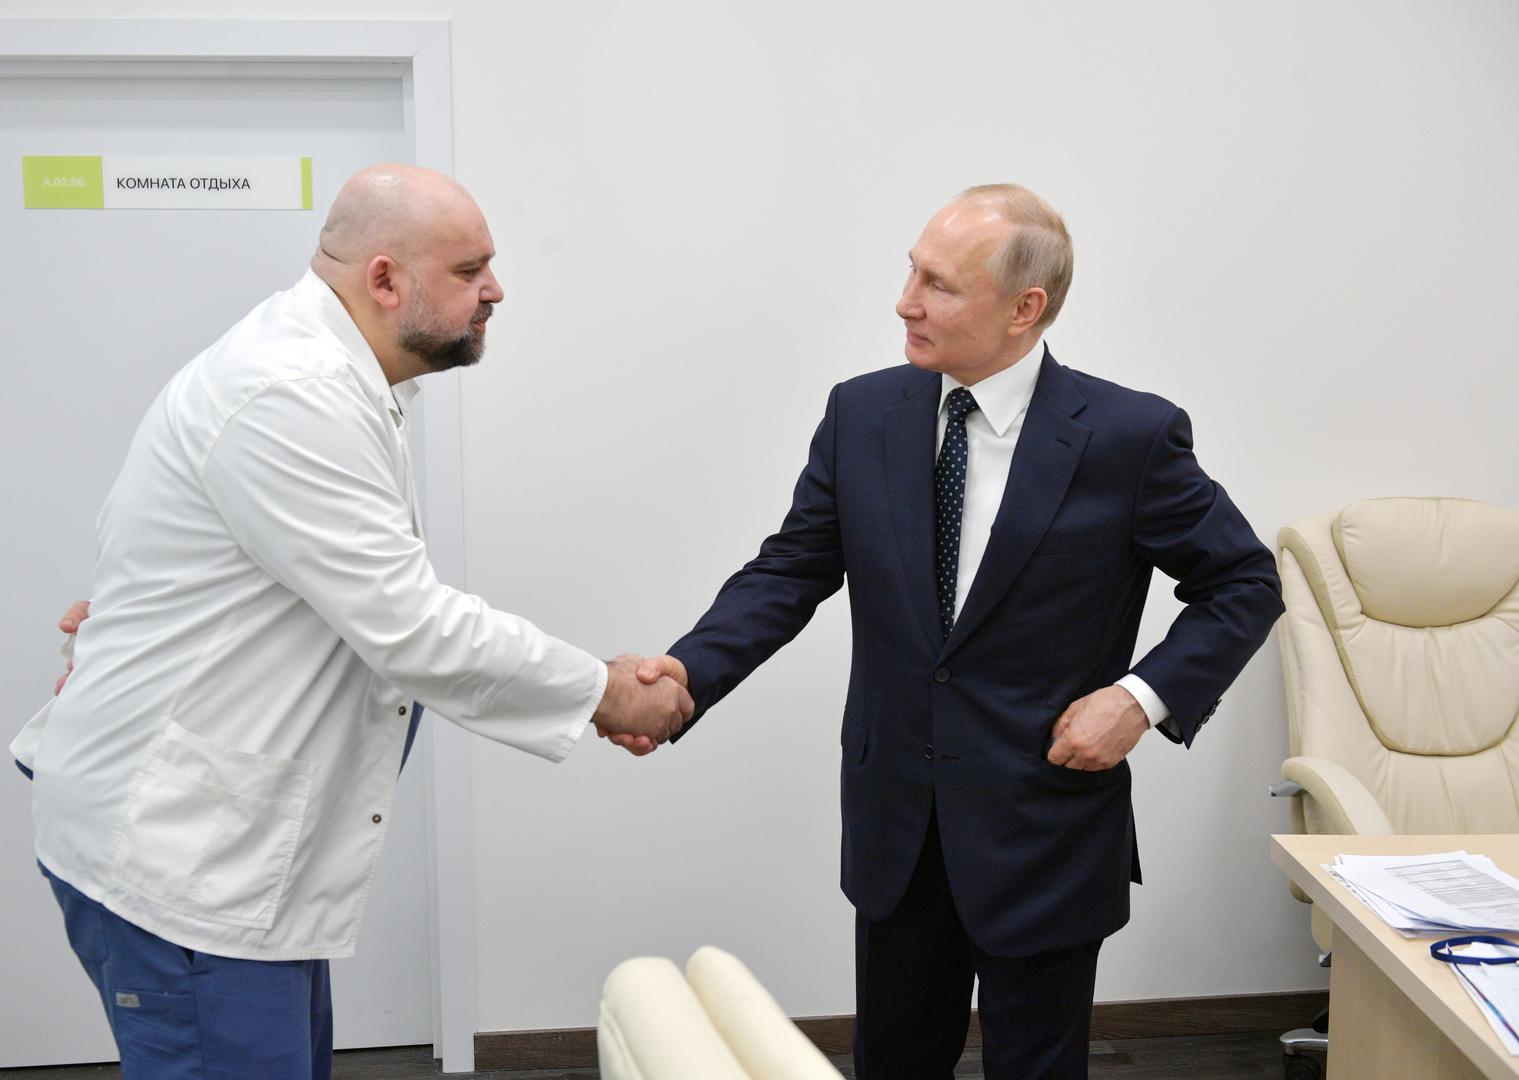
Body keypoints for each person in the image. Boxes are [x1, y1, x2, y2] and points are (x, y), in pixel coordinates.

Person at [11, 164, 687, 1080]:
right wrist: (605, 691)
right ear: (383, 279)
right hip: (184, 868)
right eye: (470, 270)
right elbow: (411, 627)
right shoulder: (291, 390)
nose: (495, 290)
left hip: (233, 854)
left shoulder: (343, 381)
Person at [625, 184, 1285, 1079]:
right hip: (896, 821)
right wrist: (686, 675)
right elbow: (789, 570)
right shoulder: (862, 414)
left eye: (937, 284)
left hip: (1043, 820)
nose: (905, 302)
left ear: (1024, 308)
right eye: (911, 272)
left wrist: (1138, 700)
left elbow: (1242, 581)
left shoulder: (1127, 436)